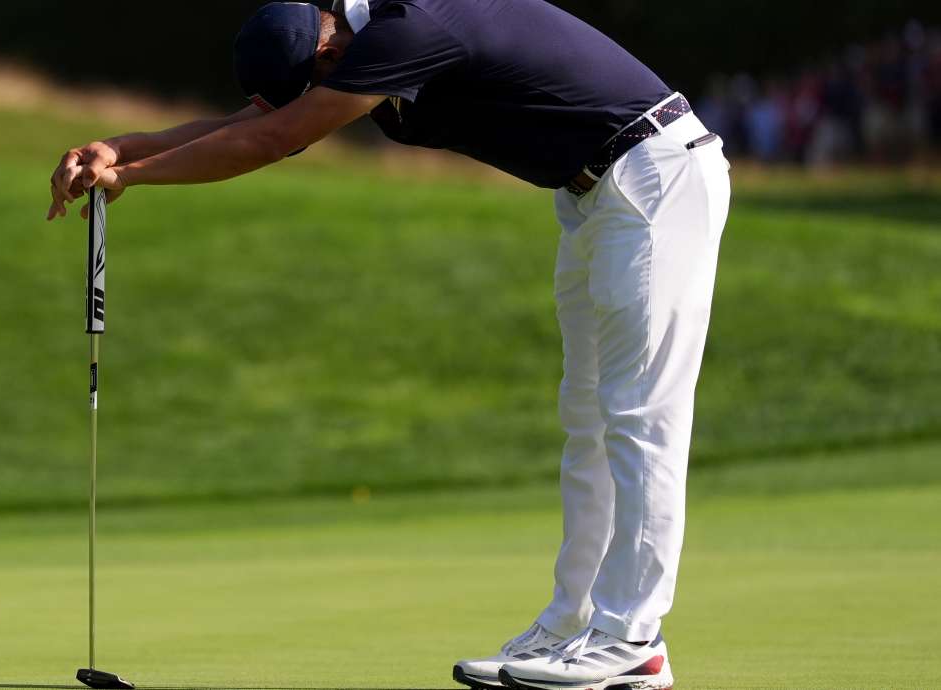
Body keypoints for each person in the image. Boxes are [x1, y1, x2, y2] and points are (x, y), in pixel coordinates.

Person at [46, 2, 730, 689]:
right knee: (588, 422)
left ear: (327, 60)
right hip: (597, 198)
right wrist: (127, 147)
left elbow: (269, 140)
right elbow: (255, 124)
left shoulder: (408, 28)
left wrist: (130, 178)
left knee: (639, 419)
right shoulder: (359, 41)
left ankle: (632, 640)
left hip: (655, 179)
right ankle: (568, 628)